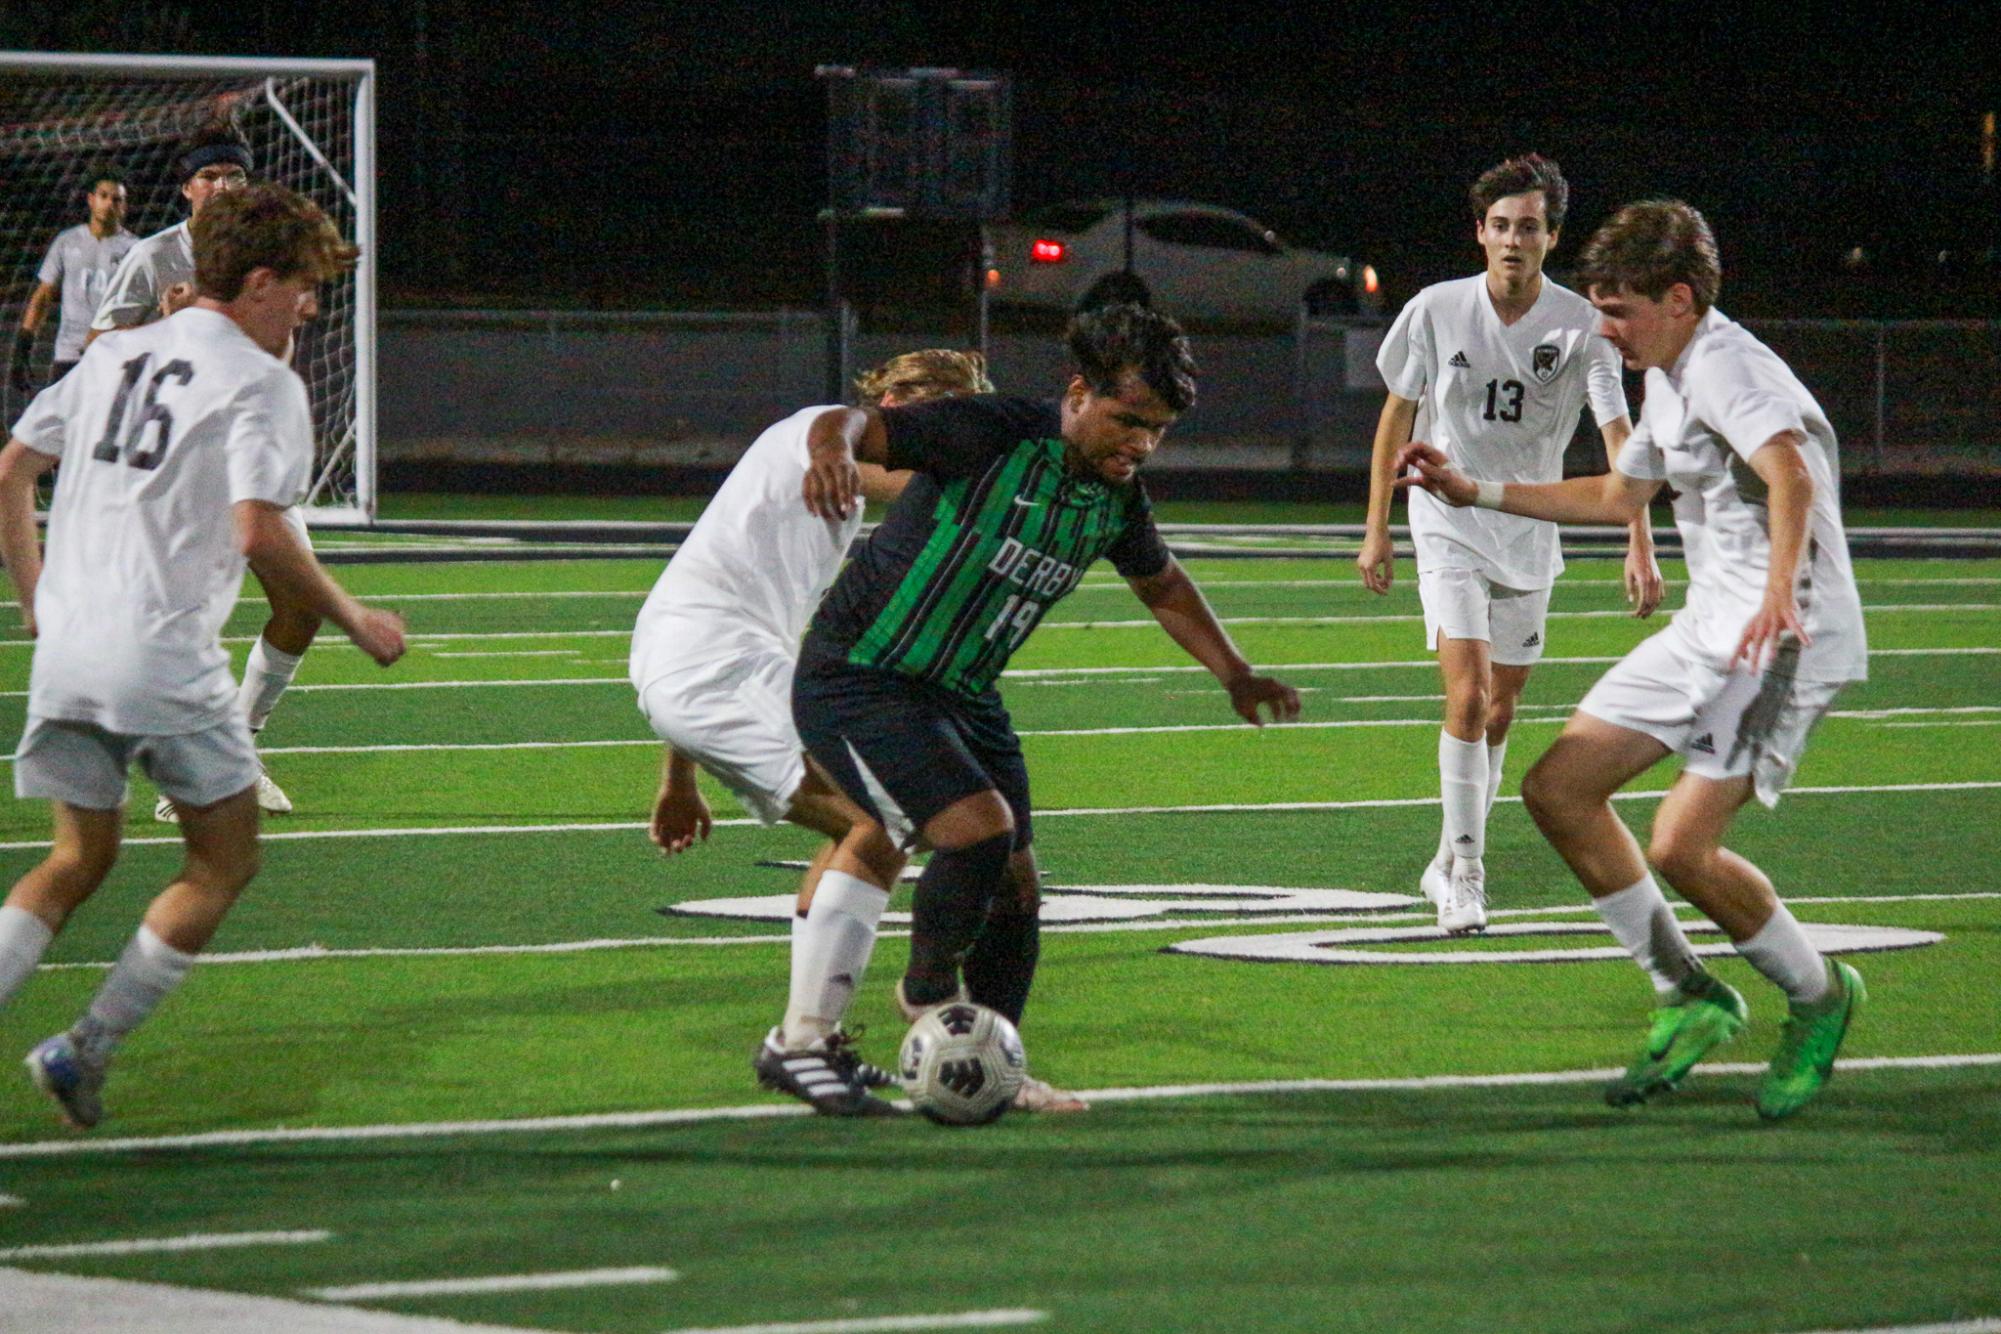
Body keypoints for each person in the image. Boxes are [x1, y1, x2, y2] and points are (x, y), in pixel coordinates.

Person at [1395, 199, 1868, 1120]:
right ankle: (1687, 992)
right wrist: (1473, 486)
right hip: (1711, 627)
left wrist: (1776, 597)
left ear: (1680, 299)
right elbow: (1619, 494)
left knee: (1682, 847)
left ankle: (1818, 995)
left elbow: (1790, 472)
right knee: (1558, 789)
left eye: (1617, 313)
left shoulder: (1727, 367)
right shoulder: (1668, 368)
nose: (1600, 329)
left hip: (1782, 638)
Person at [793, 303, 1301, 1108]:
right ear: (1075, 392)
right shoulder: (992, 431)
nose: (1140, 443)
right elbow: (847, 422)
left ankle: (992, 1065)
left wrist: (1233, 673)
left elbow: (1159, 581)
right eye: (1127, 419)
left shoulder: (1115, 495)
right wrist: (827, 449)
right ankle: (928, 997)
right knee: (976, 832)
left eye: (1158, 430)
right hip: (862, 673)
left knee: (1018, 887)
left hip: (963, 693)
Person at [0, 182, 407, 1130]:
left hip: (68, 652)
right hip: (164, 658)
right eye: (302, 287)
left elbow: (12, 469)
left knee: (74, 859)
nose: (309, 307)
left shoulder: (117, 352)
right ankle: (83, 1048)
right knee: (222, 863)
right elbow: (261, 532)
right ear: (259, 280)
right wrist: (355, 617)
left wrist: (35, 600)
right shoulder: (264, 383)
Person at [634, 348, 1050, 1118]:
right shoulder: (815, 438)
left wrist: (678, 776)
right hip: (709, 666)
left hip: (712, 666)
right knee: (883, 823)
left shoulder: (831, 484)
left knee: (865, 832)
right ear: (892, 402)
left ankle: (810, 1035)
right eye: (937, 419)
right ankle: (800, 1043)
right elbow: (908, 470)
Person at [1359, 154, 1662, 936]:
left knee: (1499, 710)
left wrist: (1640, 539)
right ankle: (1465, 873)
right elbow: (1396, 417)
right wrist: (1376, 528)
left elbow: (1618, 438)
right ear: (1479, 234)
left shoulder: (1579, 326)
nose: (1512, 239)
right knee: (1465, 697)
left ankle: (1447, 852)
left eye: (1528, 226)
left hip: (1530, 524)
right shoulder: (1434, 309)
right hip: (1445, 517)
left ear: (1550, 237)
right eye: (1499, 226)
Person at [89, 124, 314, 822]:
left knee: (300, 606)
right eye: (210, 175)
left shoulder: (268, 261)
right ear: (187, 186)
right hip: (176, 466)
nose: (223, 187)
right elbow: (99, 347)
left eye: (234, 176)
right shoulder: (154, 257)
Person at [10, 169, 136, 395]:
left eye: (116, 199)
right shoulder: (66, 242)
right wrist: (24, 344)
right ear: (91, 199)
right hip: (69, 353)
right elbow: (44, 295)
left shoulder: (135, 249)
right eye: (103, 196)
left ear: (124, 206)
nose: (109, 203)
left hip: (113, 352)